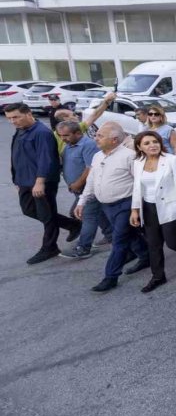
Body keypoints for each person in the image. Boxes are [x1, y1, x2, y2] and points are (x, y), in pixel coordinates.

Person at [75, 122, 150, 292]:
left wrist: (136, 208)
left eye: (100, 136)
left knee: (119, 240)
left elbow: (140, 183)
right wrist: (82, 201)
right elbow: (92, 181)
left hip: (126, 204)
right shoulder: (97, 156)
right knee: (129, 235)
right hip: (107, 206)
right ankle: (146, 257)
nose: (96, 138)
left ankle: (111, 276)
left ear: (114, 139)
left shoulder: (130, 156)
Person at [6, 104, 82, 264]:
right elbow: (18, 155)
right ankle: (72, 224)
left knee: (47, 215)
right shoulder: (20, 129)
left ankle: (50, 247)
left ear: (28, 113)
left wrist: (40, 182)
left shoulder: (41, 133)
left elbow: (46, 159)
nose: (13, 121)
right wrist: (17, 179)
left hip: (41, 182)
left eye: (16, 117)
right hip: (25, 180)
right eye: (9, 118)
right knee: (29, 210)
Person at [129, 131, 176, 293]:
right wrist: (134, 209)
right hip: (148, 208)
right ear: (139, 147)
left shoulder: (171, 160)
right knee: (154, 244)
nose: (152, 145)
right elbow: (137, 187)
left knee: (172, 242)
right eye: (147, 143)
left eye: (155, 141)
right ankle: (158, 276)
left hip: (170, 206)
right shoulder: (138, 162)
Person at [57, 120, 112, 259]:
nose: (63, 139)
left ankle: (83, 248)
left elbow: (90, 168)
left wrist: (77, 183)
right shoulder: (69, 145)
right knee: (98, 214)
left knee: (88, 216)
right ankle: (112, 235)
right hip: (77, 190)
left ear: (78, 133)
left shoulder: (89, 145)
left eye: (66, 135)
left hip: (88, 189)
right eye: (61, 136)